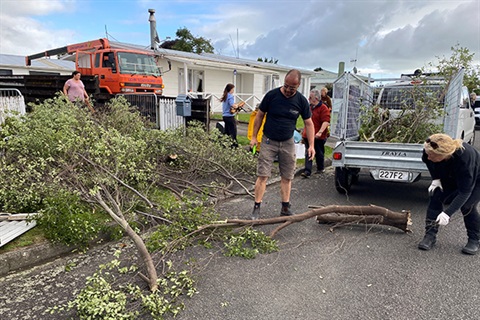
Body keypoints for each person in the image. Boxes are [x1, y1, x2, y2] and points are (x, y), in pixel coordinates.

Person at [249, 69, 315, 220]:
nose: (287, 90)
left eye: (292, 88)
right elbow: (259, 115)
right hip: (268, 140)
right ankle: (256, 207)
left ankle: (285, 207)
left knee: (287, 176)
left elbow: (309, 124)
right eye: (286, 86)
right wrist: (254, 137)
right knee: (263, 174)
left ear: (298, 86)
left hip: (288, 142)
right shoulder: (272, 95)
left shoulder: (301, 101)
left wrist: (311, 145)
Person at [418, 133, 480, 255]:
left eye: (432, 155)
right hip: (451, 176)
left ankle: (474, 239)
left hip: (476, 179)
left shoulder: (464, 159)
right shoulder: (429, 150)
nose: (428, 157)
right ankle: (430, 235)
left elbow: (464, 191)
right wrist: (435, 179)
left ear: (444, 155)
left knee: (467, 205)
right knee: (436, 196)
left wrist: (447, 214)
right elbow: (428, 162)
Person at [301, 89, 331, 178]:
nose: (309, 99)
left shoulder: (323, 108)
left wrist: (320, 132)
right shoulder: (309, 107)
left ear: (316, 98)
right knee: (308, 152)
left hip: (319, 136)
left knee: (319, 152)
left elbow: (326, 121)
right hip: (308, 134)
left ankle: (320, 168)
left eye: (311, 97)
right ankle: (307, 171)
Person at [220, 83, 243, 147]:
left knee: (227, 131)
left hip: (225, 116)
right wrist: (238, 105)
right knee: (233, 132)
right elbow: (233, 105)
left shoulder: (225, 95)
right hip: (230, 117)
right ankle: (234, 145)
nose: (233, 90)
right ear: (230, 89)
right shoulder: (230, 96)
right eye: (233, 89)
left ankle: (225, 144)